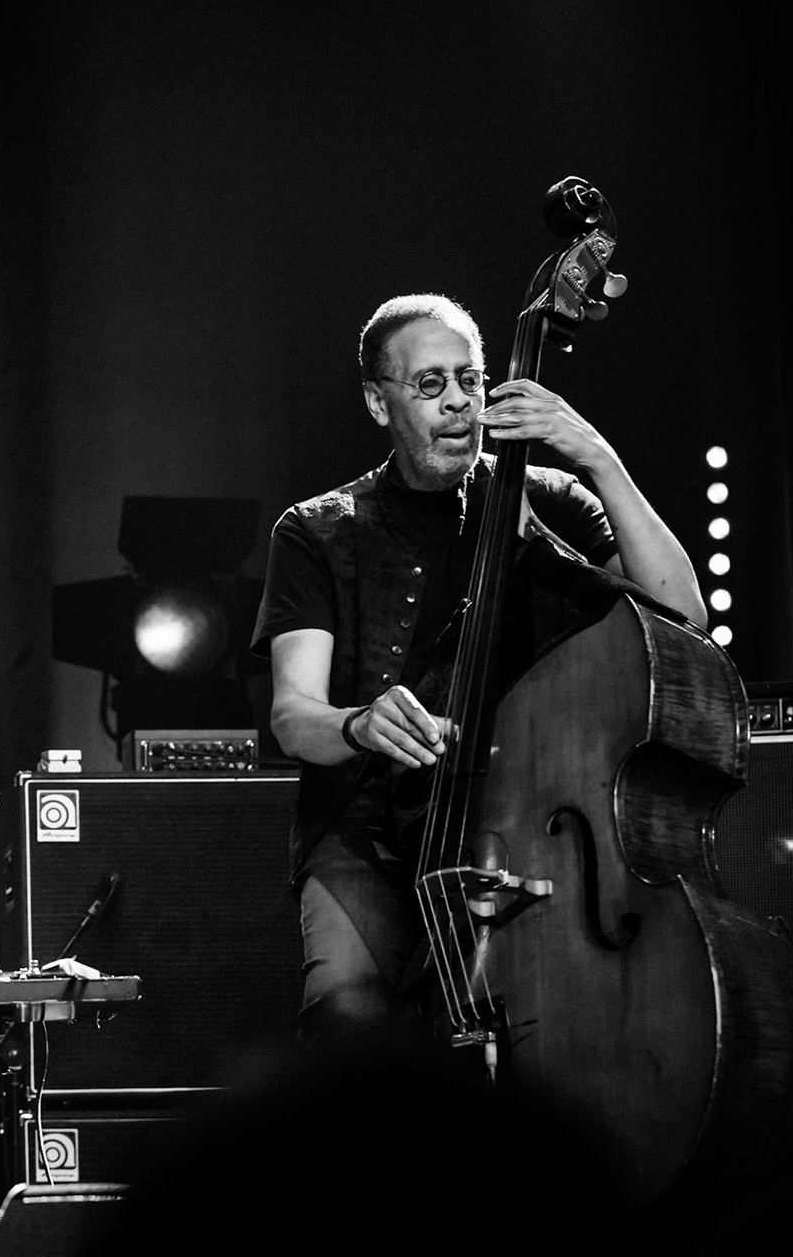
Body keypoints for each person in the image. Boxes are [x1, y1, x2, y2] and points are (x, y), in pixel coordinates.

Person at [250, 293, 704, 1050]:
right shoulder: (317, 529)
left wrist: (596, 454)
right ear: (377, 401)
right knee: (347, 1013)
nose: (459, 402)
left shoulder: (544, 501)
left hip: (524, 818)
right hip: (366, 830)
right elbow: (296, 717)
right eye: (430, 385)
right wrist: (360, 724)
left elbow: (683, 617)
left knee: (546, 1032)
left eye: (471, 379)